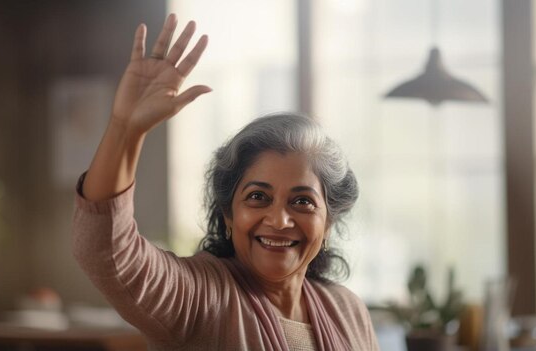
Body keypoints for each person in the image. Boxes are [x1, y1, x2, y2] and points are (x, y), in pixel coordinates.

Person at [73, 14, 379, 351]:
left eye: (302, 201)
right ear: (228, 215)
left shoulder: (348, 311)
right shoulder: (198, 298)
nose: (279, 220)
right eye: (258, 197)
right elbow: (104, 248)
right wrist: (124, 129)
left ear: (329, 220)